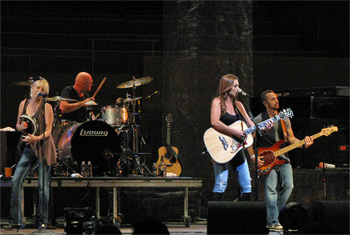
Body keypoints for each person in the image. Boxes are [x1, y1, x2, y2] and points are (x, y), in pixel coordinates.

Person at [251, 90, 314, 230]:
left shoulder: (284, 118)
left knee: (289, 185)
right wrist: (253, 158)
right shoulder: (259, 119)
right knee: (271, 189)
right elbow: (250, 140)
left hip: (283, 156)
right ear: (265, 103)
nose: (276, 101)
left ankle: (276, 215)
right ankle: (272, 221)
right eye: (272, 99)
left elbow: (290, 138)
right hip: (267, 157)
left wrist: (302, 143)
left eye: (276, 98)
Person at [4, 77, 57, 231]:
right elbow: (17, 125)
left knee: (43, 187)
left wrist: (36, 138)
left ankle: (42, 222)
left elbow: (48, 131)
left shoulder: (46, 107)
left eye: (42, 89)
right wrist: (22, 127)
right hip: (29, 147)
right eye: (37, 88)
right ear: (31, 88)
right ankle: (16, 220)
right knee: (16, 181)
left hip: (44, 147)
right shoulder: (24, 103)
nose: (39, 91)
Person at [209, 74, 272, 201]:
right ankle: (214, 217)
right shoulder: (217, 102)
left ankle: (243, 218)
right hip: (221, 146)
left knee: (247, 185)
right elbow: (215, 122)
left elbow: (251, 125)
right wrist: (234, 131)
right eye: (235, 86)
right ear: (227, 87)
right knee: (221, 184)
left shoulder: (239, 105)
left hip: (237, 147)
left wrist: (264, 127)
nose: (238, 89)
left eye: (238, 86)